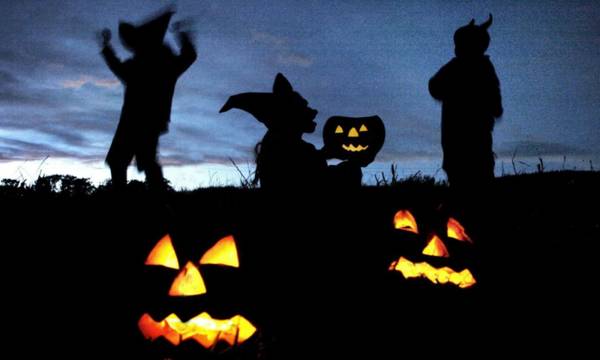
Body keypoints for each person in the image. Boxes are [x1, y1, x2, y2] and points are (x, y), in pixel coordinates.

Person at [98, 9, 197, 192]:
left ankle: (154, 201)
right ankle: (158, 201)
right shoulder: (165, 65)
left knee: (126, 162)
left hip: (136, 121)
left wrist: (106, 48)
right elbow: (189, 56)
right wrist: (182, 36)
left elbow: (117, 67)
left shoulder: (148, 65)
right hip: (147, 121)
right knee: (139, 161)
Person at [429, 14, 503, 192]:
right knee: (468, 171)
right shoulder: (462, 67)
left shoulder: (475, 67)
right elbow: (435, 86)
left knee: (474, 171)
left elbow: (434, 86)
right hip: (461, 131)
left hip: (468, 131)